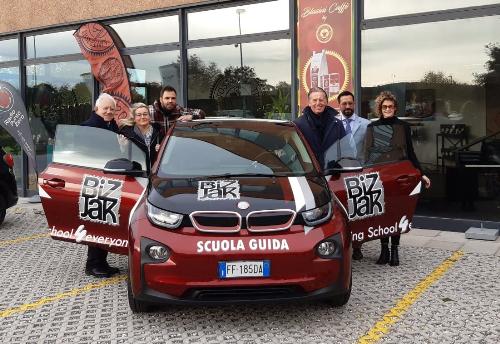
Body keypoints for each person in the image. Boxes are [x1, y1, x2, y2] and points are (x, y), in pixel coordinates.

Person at [365, 91, 431, 266]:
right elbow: (367, 154)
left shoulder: (403, 127)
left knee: (397, 212)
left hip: (399, 176)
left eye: (391, 107)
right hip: (380, 176)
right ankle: (384, 250)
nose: (388, 109)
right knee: (382, 213)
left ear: (395, 108)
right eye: (384, 106)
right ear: (380, 108)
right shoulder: (371, 127)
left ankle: (395, 250)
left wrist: (421, 172)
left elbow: (410, 152)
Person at [81, 93, 120, 278]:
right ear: (97, 109)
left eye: (112, 109)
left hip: (108, 181)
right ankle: (92, 264)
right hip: (94, 181)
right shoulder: (88, 127)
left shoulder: (110, 124)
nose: (109, 111)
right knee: (96, 222)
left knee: (105, 223)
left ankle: (102, 262)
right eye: (106, 108)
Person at [335, 90, 371, 261]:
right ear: (339, 105)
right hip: (338, 173)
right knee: (342, 210)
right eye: (344, 103)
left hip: (359, 172)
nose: (347, 106)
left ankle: (358, 246)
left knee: (358, 211)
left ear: (354, 104)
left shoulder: (366, 124)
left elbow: (370, 150)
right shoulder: (332, 123)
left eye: (350, 103)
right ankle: (343, 243)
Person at [294, 87, 346, 169]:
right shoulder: (298, 124)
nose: (318, 103)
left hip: (333, 174)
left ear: (326, 102)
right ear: (309, 103)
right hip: (309, 174)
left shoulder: (337, 124)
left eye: (321, 100)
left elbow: (345, 150)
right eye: (314, 100)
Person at [119, 103, 165, 170]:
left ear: (149, 116)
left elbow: (167, 156)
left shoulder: (159, 131)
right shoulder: (126, 134)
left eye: (145, 114)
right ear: (134, 118)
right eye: (139, 115)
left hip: (156, 174)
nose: (142, 117)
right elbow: (122, 159)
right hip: (136, 174)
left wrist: (161, 150)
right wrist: (123, 147)